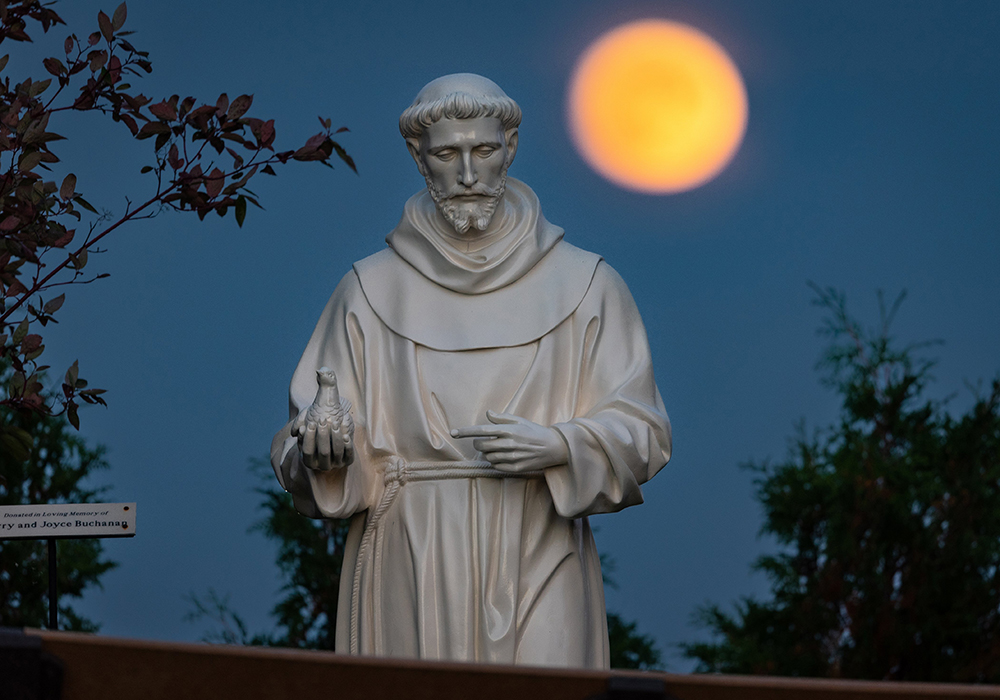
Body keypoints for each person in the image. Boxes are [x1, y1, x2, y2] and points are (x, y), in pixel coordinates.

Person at [270, 73, 671, 668]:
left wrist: (561, 445)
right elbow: (305, 442)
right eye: (445, 154)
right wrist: (324, 450)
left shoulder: (587, 284)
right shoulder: (370, 290)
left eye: (483, 151)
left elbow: (646, 431)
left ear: (509, 148)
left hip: (539, 540)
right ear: (418, 158)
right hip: (411, 544)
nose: (466, 174)